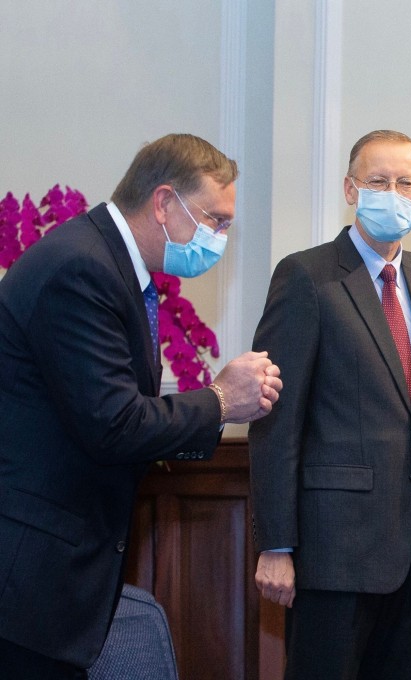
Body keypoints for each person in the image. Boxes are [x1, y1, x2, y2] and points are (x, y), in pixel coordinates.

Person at [0, 132, 283, 679]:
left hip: (49, 576)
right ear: (163, 202)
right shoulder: (81, 268)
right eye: (215, 220)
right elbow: (114, 424)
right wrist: (221, 399)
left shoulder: (107, 264)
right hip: (26, 576)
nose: (220, 237)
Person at [249, 129, 411, 680]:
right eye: (378, 180)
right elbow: (276, 419)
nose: (394, 192)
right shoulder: (306, 276)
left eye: (406, 182)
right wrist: (275, 543)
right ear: (350, 187)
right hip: (333, 552)